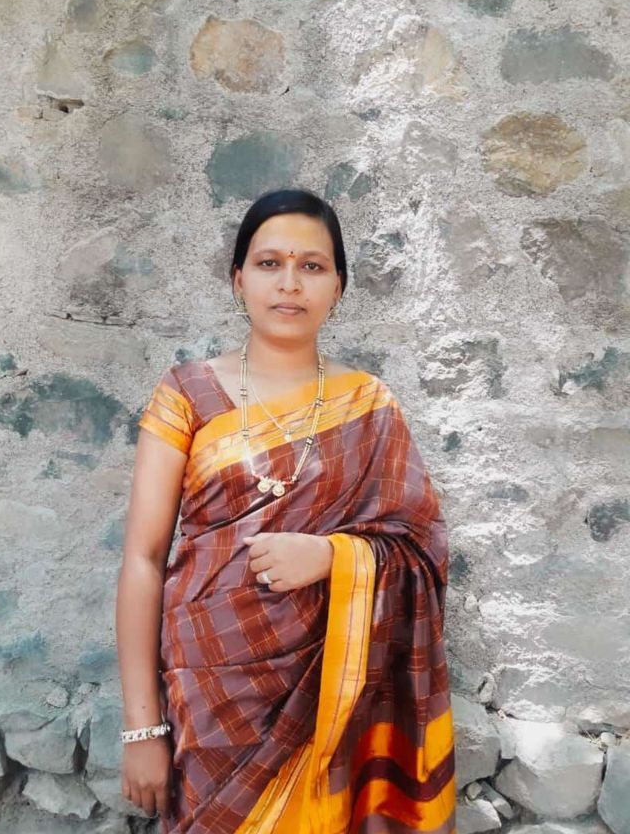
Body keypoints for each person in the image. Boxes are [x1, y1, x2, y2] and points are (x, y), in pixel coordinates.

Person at [116, 187, 456, 834]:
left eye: (312, 266)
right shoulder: (186, 393)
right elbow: (143, 558)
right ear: (238, 279)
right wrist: (142, 727)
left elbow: (422, 549)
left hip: (333, 699)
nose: (290, 283)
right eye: (269, 263)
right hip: (209, 697)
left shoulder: (370, 405)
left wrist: (332, 557)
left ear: (338, 287)